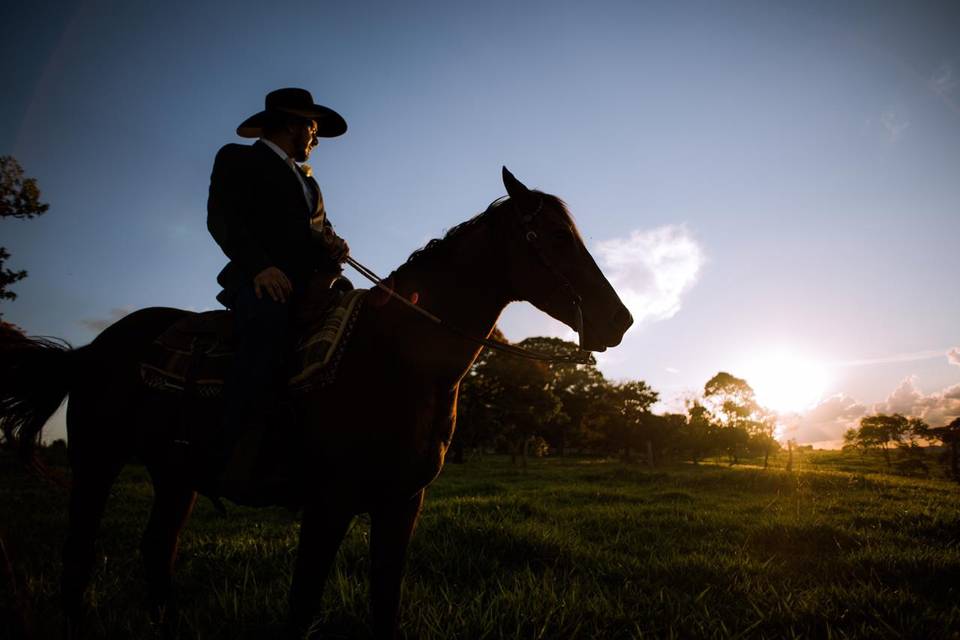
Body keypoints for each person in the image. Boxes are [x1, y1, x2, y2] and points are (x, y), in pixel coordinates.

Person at [206, 87, 349, 497]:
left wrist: (335, 244)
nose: (316, 139)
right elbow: (223, 219)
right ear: (293, 124)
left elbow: (320, 233)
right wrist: (260, 267)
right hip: (261, 281)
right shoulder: (238, 158)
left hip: (313, 285)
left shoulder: (312, 186)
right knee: (266, 338)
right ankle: (226, 451)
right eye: (313, 128)